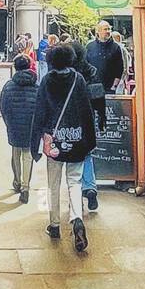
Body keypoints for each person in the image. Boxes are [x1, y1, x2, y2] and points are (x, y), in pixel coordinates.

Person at [30, 42, 96, 253]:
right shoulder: (79, 79)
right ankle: (77, 218)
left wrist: (36, 141)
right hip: (76, 136)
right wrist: (89, 140)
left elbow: (39, 111)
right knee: (74, 182)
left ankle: (55, 224)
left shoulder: (47, 80)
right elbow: (87, 110)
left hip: (54, 140)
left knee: (54, 184)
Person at [71, 40, 106, 213]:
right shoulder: (91, 71)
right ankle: (90, 186)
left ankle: (75, 194)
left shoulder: (67, 73)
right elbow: (98, 95)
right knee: (86, 153)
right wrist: (102, 116)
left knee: (70, 157)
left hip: (70, 119)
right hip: (89, 116)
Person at [0, 54, 38, 203]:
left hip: (14, 123)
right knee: (28, 155)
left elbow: (3, 105)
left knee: (16, 153)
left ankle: (17, 181)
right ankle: (26, 187)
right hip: (31, 125)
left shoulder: (9, 85)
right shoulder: (36, 85)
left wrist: (8, 122)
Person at [85, 19, 125, 95]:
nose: (108, 31)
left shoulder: (116, 47)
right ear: (98, 32)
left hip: (109, 88)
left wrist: (114, 86)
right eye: (105, 29)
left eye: (109, 29)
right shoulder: (89, 46)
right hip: (93, 87)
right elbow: (85, 65)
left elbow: (120, 68)